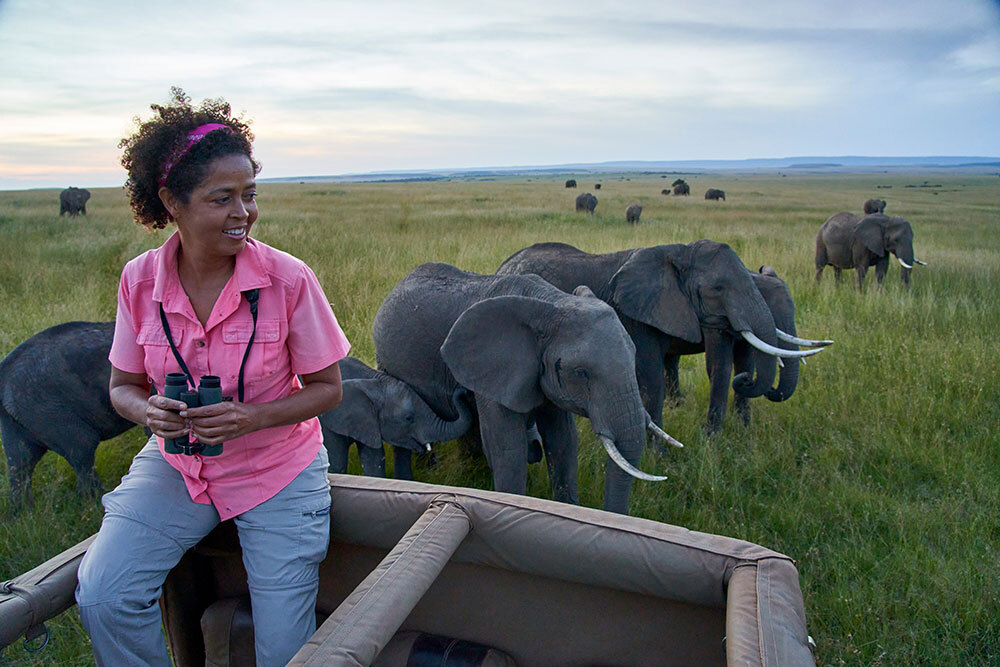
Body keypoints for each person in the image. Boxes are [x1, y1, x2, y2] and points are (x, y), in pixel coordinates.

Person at [75, 89, 350, 666]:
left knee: (283, 649)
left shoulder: (287, 279)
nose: (243, 213)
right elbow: (122, 386)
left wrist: (252, 417)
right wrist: (146, 412)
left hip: (278, 471)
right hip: (178, 464)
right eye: (222, 198)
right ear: (171, 201)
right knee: (105, 595)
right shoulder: (139, 280)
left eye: (250, 195)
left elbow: (329, 388)